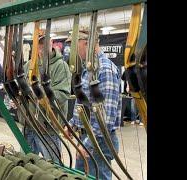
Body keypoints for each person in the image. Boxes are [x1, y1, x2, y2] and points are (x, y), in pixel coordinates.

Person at [66, 29, 122, 180]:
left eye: (74, 46)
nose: (73, 51)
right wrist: (73, 124)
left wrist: (88, 143)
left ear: (86, 44)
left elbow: (106, 116)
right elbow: (85, 103)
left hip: (98, 143)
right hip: (87, 139)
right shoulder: (88, 69)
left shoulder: (105, 69)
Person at [21, 32, 72, 161]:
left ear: (52, 42)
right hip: (29, 126)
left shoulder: (61, 66)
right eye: (39, 44)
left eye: (45, 43)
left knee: (52, 168)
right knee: (27, 166)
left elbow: (62, 94)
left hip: (48, 129)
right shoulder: (28, 66)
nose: (42, 47)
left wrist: (39, 93)